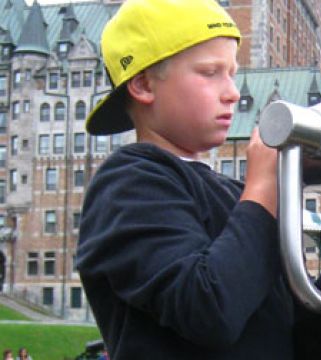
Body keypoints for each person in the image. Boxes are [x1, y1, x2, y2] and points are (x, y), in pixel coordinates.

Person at [75, 0, 294, 358]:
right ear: (144, 84)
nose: (233, 92)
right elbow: (210, 309)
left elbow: (296, 319)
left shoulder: (235, 193)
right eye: (210, 72)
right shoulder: (128, 183)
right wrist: (263, 188)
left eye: (232, 73)